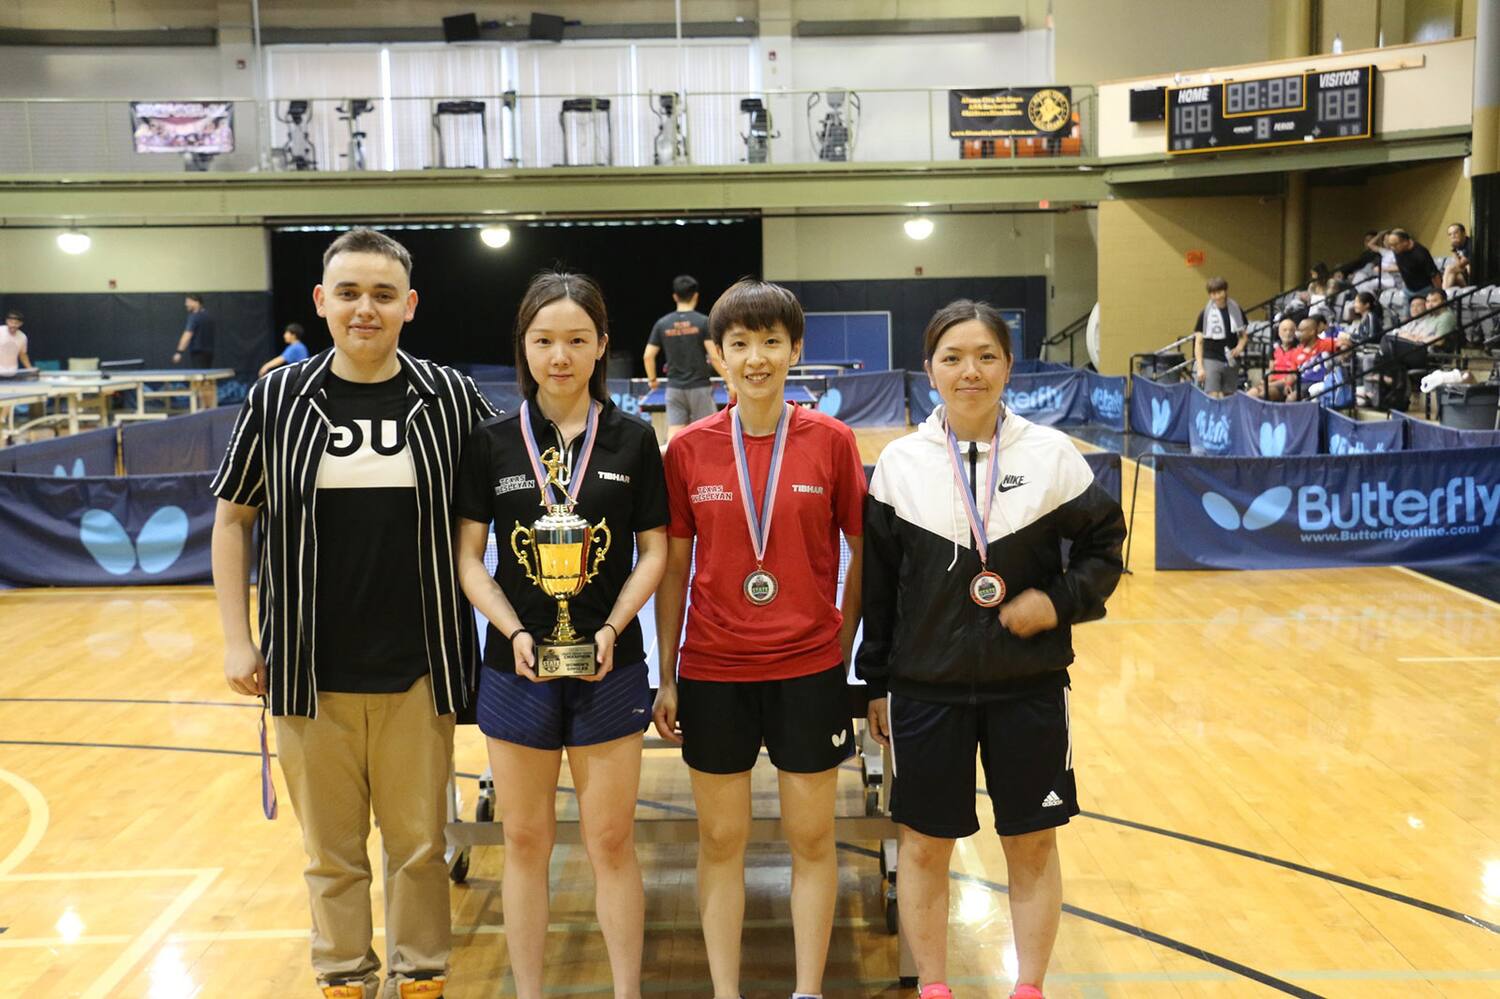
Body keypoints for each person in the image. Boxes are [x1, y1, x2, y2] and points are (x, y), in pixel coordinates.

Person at [210, 227, 495, 999]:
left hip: (419, 667)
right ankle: (342, 976)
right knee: (330, 852)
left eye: (380, 294)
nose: (363, 308)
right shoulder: (275, 397)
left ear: (409, 304)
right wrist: (238, 639)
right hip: (307, 671)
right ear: (320, 302)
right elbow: (234, 520)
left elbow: (509, 501)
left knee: (418, 845)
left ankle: (420, 975)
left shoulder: (451, 398)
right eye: (348, 293)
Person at [859, 300, 1125, 999]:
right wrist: (875, 683)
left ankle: (1028, 987)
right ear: (929, 370)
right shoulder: (899, 465)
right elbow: (878, 591)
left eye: (984, 355)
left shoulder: (1050, 455)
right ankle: (936, 987)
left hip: (1028, 687)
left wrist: (1059, 602)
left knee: (1032, 842)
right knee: (923, 845)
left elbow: (1104, 549)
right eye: (952, 357)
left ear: (1009, 365)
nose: (969, 371)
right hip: (924, 689)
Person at [453, 271, 668, 999]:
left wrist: (612, 625)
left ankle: (627, 991)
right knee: (524, 840)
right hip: (514, 668)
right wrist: (511, 628)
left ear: (602, 345)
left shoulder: (636, 440)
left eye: (577, 340)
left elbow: (657, 552)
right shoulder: (490, 442)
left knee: (610, 841)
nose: (560, 355)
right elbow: (467, 559)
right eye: (544, 340)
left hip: (611, 663)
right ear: (524, 346)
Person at [651, 278, 866, 999]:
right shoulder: (688, 449)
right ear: (714, 355)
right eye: (739, 344)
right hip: (714, 671)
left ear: (795, 349)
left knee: (812, 840)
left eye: (772, 341)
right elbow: (675, 567)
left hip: (808, 670)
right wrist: (668, 673)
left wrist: (841, 650)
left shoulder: (833, 442)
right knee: (721, 842)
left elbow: (862, 551)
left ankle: (807, 990)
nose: (756, 358)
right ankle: (726, 991)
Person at [642, 274, 728, 438]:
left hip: (674, 388)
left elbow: (648, 356)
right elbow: (715, 357)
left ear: (675, 296)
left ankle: (672, 464)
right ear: (696, 296)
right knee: (708, 432)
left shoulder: (662, 323)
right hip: (700, 387)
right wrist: (729, 380)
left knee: (675, 433)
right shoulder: (703, 322)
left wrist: (652, 380)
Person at [1190, 277, 1246, 397]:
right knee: (1212, 394)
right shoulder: (1205, 314)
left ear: (1225, 292)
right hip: (1211, 358)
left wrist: (1240, 347)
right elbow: (1199, 342)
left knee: (1229, 395)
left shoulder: (1236, 310)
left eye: (1219, 292)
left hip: (1231, 358)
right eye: (1213, 294)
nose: (1217, 297)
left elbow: (1243, 336)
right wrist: (1200, 367)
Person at [176, 293, 218, 408]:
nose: (186, 304)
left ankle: (201, 408)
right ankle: (209, 407)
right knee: (207, 380)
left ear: (196, 302)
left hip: (198, 354)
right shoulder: (209, 316)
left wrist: (179, 352)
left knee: (199, 381)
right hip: (209, 353)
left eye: (188, 302)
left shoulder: (194, 317)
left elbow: (187, 335)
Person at [1250, 317, 1303, 401]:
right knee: (1252, 393)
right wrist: (1265, 381)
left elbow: (1293, 376)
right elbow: (1271, 370)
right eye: (1284, 330)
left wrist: (1269, 384)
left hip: (1285, 384)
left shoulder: (1299, 349)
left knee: (1266, 394)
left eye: (1291, 330)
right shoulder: (1274, 348)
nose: (1288, 333)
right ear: (1279, 332)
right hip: (1273, 381)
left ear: (1295, 332)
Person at [1386, 228, 1441, 305]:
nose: (1392, 248)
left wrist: (1439, 293)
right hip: (1408, 289)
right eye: (1390, 245)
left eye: (1395, 245)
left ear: (1405, 242)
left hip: (1424, 289)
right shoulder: (1397, 250)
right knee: (1407, 316)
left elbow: (1434, 274)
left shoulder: (1420, 253)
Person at [1443, 222, 1472, 288]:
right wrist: (1454, 250)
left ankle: (1442, 293)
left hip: (1474, 274)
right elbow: (1458, 264)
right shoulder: (1457, 245)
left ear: (1464, 233)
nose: (1453, 236)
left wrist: (1454, 252)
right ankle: (1446, 294)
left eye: (1455, 233)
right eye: (1450, 234)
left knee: (1449, 268)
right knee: (1455, 276)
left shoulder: (1470, 244)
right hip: (1464, 276)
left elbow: (1460, 264)